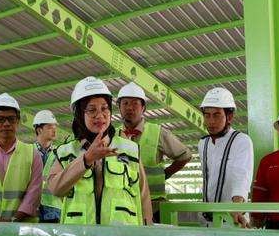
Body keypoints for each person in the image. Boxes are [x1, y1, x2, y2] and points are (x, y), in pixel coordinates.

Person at [46, 77, 152, 225]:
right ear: (79, 115)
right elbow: (55, 189)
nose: (100, 115)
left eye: (104, 108)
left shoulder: (130, 150)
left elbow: (143, 198)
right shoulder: (65, 152)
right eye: (91, 110)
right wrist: (86, 159)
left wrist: (147, 234)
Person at [117, 82, 192, 222]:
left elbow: (185, 155)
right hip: (124, 204)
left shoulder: (157, 133)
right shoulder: (114, 136)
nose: (129, 108)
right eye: (125, 103)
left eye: (135, 104)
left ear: (143, 108)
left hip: (154, 206)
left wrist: (166, 174)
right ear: (119, 108)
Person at [0, 94, 42, 222]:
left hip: (22, 227)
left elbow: (34, 192)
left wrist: (13, 220)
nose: (6, 124)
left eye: (11, 119)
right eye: (0, 119)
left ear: (18, 121)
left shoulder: (32, 153)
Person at [198, 87, 253, 228]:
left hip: (232, 219)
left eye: (216, 115)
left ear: (229, 117)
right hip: (207, 219)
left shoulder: (241, 141)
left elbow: (241, 175)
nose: (210, 121)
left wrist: (237, 207)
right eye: (207, 115)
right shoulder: (203, 143)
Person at [33, 109, 63, 223]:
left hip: (54, 210)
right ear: (39, 129)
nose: (54, 130)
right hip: (32, 209)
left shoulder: (60, 153)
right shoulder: (28, 152)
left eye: (55, 127)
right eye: (50, 127)